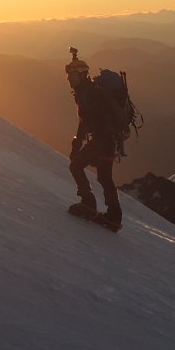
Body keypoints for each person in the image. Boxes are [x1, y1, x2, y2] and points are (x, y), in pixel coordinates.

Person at [65, 48, 138, 230]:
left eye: (72, 76)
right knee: (105, 177)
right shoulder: (92, 92)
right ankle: (114, 216)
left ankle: (88, 203)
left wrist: (78, 144)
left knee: (75, 166)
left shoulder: (89, 95)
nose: (69, 80)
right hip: (111, 142)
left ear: (82, 75)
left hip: (102, 141)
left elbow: (86, 122)